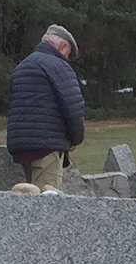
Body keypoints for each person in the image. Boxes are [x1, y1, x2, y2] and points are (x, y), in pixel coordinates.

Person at [5, 24, 85, 184]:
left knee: (29, 198)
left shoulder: (22, 67)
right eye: (68, 53)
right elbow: (73, 108)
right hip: (47, 145)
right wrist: (75, 139)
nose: (67, 59)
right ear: (62, 46)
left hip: (21, 146)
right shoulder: (58, 66)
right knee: (48, 198)